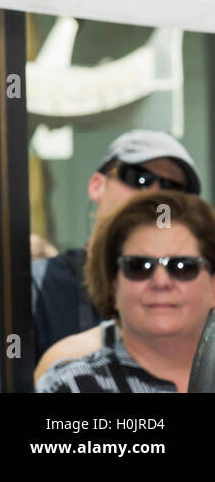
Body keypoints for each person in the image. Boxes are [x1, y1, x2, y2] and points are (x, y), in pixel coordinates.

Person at [31, 129, 201, 366]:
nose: (154, 194)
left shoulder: (195, 297)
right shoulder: (37, 288)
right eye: (138, 178)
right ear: (97, 185)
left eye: (172, 188)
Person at [36, 190, 215, 392]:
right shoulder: (72, 386)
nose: (160, 281)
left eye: (182, 266)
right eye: (138, 266)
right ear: (113, 285)